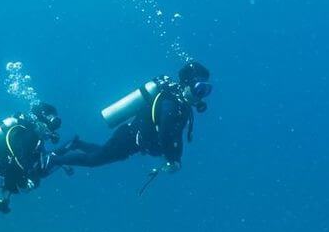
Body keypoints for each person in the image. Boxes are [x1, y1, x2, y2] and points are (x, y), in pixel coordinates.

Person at [53, 62, 211, 178]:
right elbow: (165, 133)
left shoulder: (181, 106)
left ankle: (76, 143)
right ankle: (54, 160)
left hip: (130, 139)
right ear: (187, 85)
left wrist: (175, 158)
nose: (202, 95)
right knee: (93, 160)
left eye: (206, 90)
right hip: (128, 139)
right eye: (200, 89)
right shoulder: (172, 104)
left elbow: (174, 136)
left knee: (101, 153)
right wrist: (172, 159)